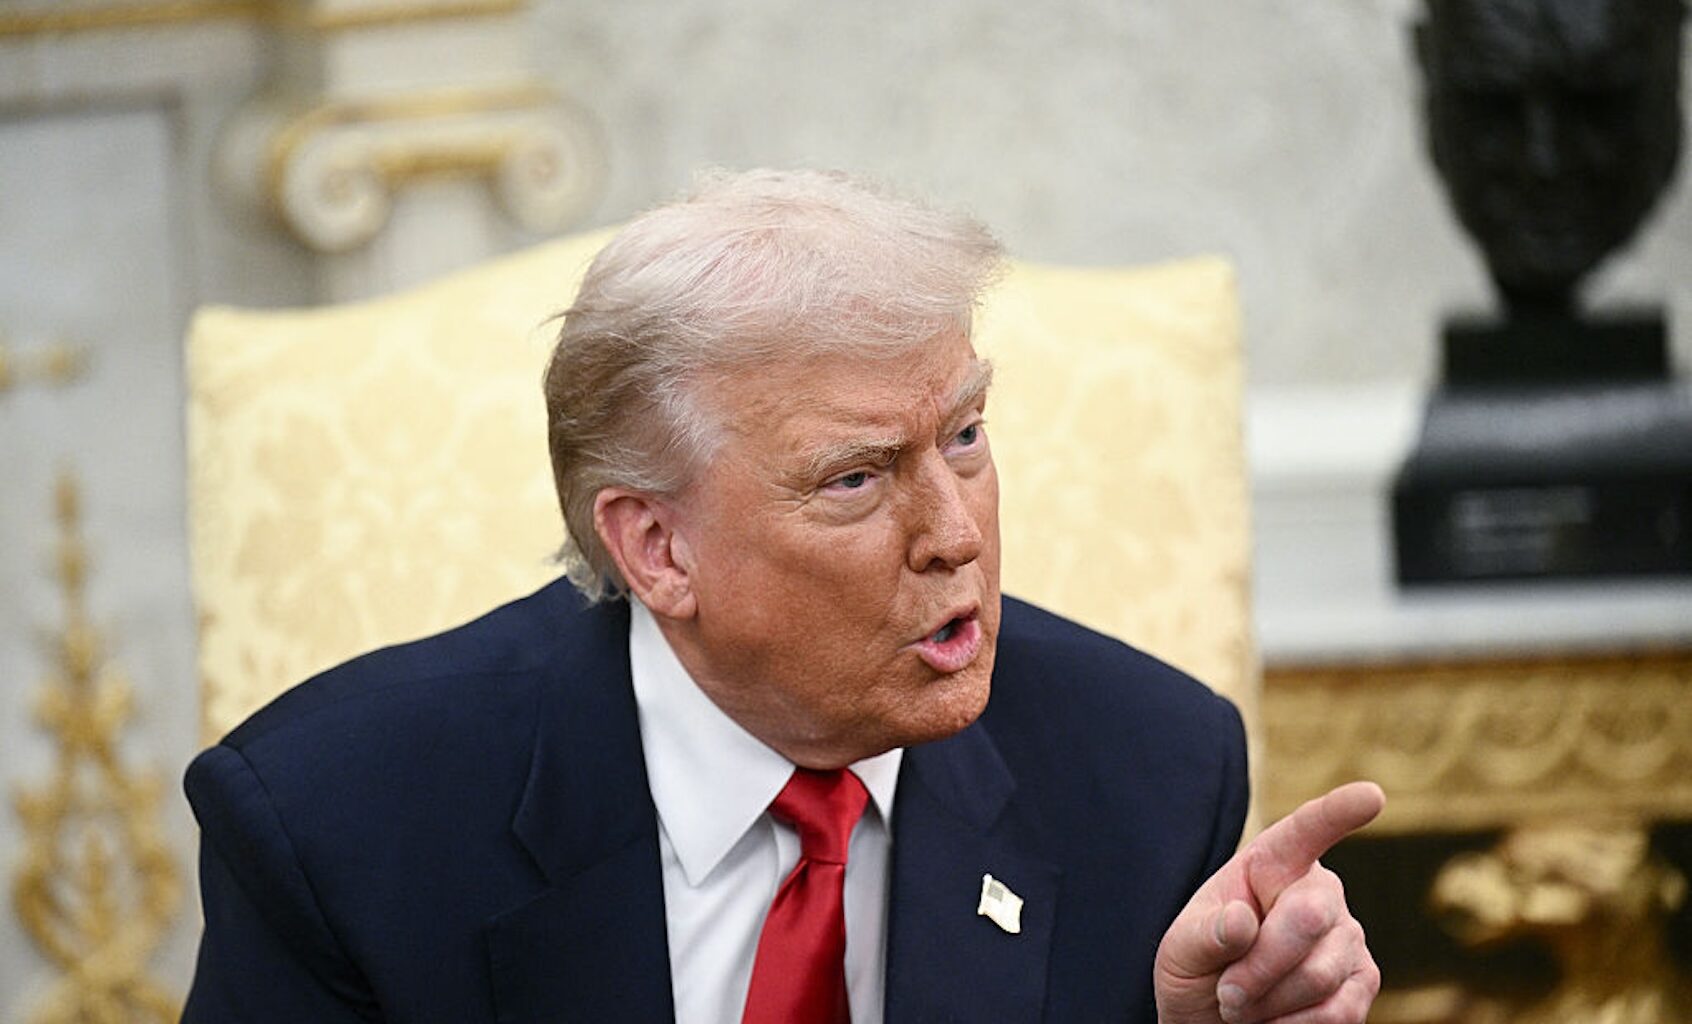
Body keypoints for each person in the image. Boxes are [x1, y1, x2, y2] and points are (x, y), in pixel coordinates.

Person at [181, 169, 1381, 1023]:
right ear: (657, 548)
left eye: (965, 434)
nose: (956, 534)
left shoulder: (1148, 773)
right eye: (855, 478)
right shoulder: (336, 823)